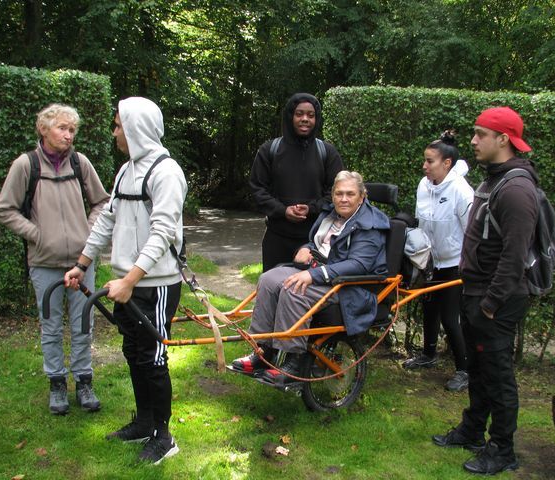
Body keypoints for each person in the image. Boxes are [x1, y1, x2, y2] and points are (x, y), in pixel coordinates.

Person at [65, 97, 187, 465]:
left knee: (153, 357)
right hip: (126, 283)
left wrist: (132, 278)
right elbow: (107, 221)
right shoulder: (125, 172)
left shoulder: (167, 173)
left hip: (157, 283)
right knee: (133, 352)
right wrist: (81, 263)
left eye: (118, 124)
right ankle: (144, 424)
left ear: (135, 127)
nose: (114, 131)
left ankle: (164, 437)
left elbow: (163, 231)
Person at [432, 107, 539, 475]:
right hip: (476, 293)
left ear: (503, 139)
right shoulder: (493, 179)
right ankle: (473, 431)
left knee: (497, 375)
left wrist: (491, 303)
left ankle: (503, 449)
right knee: (478, 370)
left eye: (480, 134)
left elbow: (515, 256)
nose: (473, 141)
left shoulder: (517, 188)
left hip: (498, 300)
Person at [0, 104, 109, 415]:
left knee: (83, 322)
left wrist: (89, 233)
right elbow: (5, 210)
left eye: (72, 130)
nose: (68, 135)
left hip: (81, 262)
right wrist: (36, 233)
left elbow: (101, 202)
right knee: (51, 326)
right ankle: (57, 384)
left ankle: (84, 381)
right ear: (44, 129)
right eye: (62, 128)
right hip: (44, 263)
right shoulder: (26, 165)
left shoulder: (79, 162)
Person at [231, 171, 390, 383]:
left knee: (294, 289)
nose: (344, 199)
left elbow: (359, 264)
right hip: (321, 273)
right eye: (339, 193)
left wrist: (313, 274)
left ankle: (294, 362)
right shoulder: (331, 214)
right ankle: (263, 351)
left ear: (362, 197)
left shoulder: (370, 224)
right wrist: (306, 248)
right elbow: (319, 243)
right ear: (332, 195)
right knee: (268, 280)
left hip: (348, 285)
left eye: (350, 194)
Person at [403, 131, 474, 392]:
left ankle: (465, 370)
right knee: (429, 309)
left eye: (429, 161)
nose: (424, 166)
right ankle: (428, 355)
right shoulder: (424, 185)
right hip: (429, 262)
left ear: (446, 164)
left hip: (454, 264)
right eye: (424, 160)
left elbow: (471, 232)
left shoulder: (461, 191)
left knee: (450, 317)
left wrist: (468, 266)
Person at [250, 93, 345, 272]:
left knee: (309, 295)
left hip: (315, 241)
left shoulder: (327, 153)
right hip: (277, 238)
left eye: (310, 115)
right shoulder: (270, 150)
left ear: (316, 119)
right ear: (290, 116)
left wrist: (312, 208)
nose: (305, 119)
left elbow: (337, 193)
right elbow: (257, 189)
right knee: (273, 288)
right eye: (299, 114)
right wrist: (283, 210)